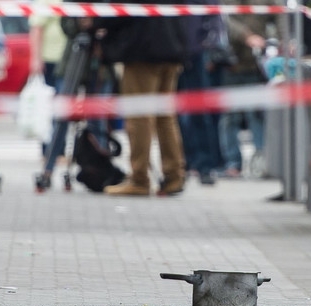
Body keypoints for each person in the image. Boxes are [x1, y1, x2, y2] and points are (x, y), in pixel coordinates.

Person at [96, 0, 187, 196]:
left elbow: (122, 10)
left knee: (139, 117)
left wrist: (97, 20)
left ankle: (139, 179)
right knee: (165, 117)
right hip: (172, 46)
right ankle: (174, 176)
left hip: (144, 49)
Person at [218, 0, 287, 178]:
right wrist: (245, 36)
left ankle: (261, 161)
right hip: (230, 63)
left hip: (257, 65)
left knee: (257, 114)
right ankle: (232, 164)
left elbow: (279, 14)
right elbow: (222, 17)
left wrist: (282, 42)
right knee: (229, 116)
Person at [177, 0, 225, 186]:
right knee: (174, 114)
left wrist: (207, 46)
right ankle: (185, 164)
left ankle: (205, 166)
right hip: (174, 51)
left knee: (200, 113)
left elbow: (214, 18)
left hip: (196, 54)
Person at [29, 0, 68, 187]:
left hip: (69, 60)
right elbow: (37, 28)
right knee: (51, 110)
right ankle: (49, 153)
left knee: (63, 110)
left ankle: (58, 152)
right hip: (52, 61)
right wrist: (36, 59)